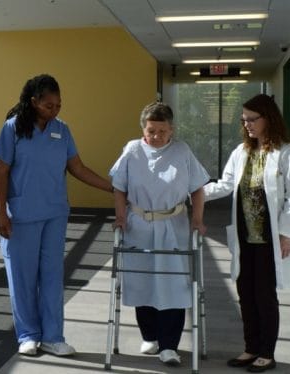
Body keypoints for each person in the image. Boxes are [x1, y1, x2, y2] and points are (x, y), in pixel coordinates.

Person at [0, 74, 112, 356]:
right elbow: (1, 172)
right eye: (49, 105)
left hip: (54, 213)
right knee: (22, 278)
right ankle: (28, 335)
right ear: (33, 102)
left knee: (51, 276)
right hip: (20, 215)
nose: (55, 110)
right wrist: (1, 214)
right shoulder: (12, 129)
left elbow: (78, 168)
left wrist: (114, 188)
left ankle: (53, 336)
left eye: (59, 105)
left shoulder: (63, 130)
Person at [204, 94, 290, 373]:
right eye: (244, 120)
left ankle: (266, 353)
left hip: (269, 238)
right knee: (245, 291)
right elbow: (225, 185)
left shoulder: (286, 152)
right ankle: (250, 347)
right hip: (245, 237)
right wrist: (193, 192)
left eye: (252, 119)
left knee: (264, 295)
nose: (247, 125)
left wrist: (286, 234)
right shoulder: (241, 152)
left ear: (269, 118)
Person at [109, 102, 209, 366]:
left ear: (171, 129)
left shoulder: (182, 151)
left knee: (172, 283)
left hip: (173, 225)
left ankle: (169, 346)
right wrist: (120, 217)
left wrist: (197, 220)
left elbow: (198, 188)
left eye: (162, 131)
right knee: (143, 281)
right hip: (138, 224)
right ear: (144, 128)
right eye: (151, 131)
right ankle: (150, 336)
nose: (156, 137)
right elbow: (119, 186)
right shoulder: (132, 150)